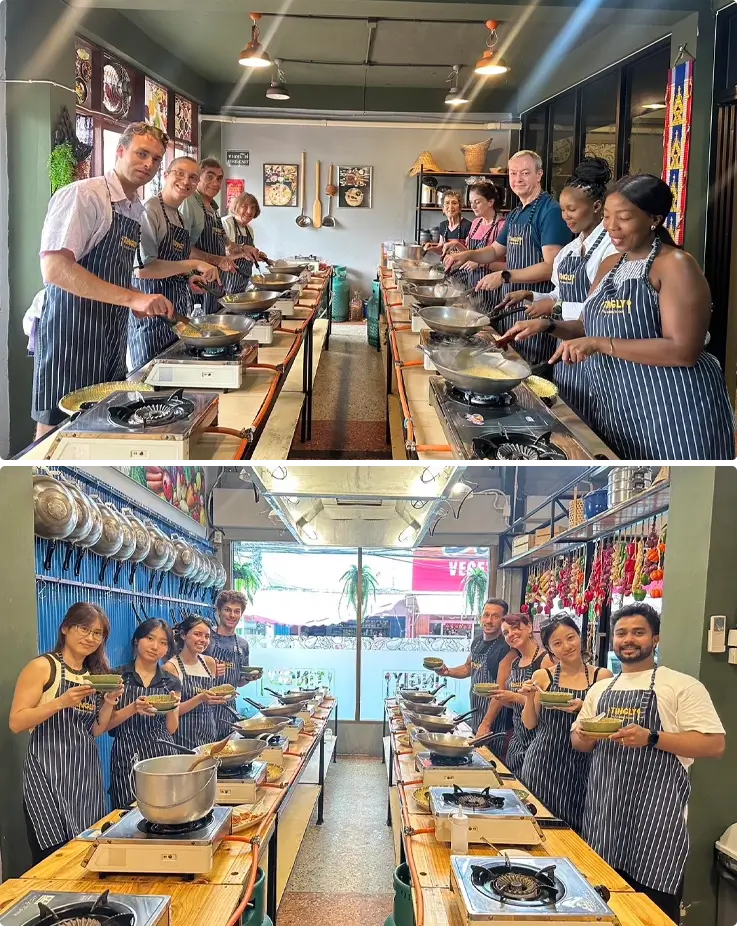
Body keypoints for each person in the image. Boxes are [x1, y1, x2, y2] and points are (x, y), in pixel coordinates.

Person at [506, 175, 735, 462]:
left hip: (673, 409)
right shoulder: (611, 265)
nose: (611, 227)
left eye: (624, 218)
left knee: (678, 497)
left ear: (655, 218)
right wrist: (549, 326)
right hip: (621, 406)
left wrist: (602, 344)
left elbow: (683, 351)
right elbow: (588, 326)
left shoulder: (676, 265)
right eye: (607, 217)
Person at [572, 605, 725, 923]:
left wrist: (653, 737)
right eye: (621, 633)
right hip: (604, 816)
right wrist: (586, 734)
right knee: (598, 904)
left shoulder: (680, 685)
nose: (628, 639)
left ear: (655, 638)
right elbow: (579, 743)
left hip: (655, 823)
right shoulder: (601, 689)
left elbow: (714, 743)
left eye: (638, 632)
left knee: (651, 913)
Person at [32, 122, 175, 438]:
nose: (149, 164)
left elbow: (116, 270)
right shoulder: (85, 195)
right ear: (120, 151)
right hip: (69, 331)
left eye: (156, 159)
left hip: (111, 330)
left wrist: (135, 299)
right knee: (58, 426)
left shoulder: (134, 207)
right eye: (141, 154)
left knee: (103, 419)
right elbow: (55, 268)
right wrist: (132, 298)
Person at [498, 158, 617, 422]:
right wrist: (532, 296)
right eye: (563, 210)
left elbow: (602, 310)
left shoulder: (610, 250)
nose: (565, 217)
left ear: (597, 207)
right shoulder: (569, 251)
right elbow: (558, 293)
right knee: (570, 416)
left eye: (571, 210)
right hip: (566, 350)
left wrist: (554, 308)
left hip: (598, 355)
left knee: (596, 423)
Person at [9, 603, 123, 864]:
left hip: (85, 777)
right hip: (47, 775)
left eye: (98, 633)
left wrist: (109, 701)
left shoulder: (94, 675)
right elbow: (16, 722)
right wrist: (60, 702)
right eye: (84, 628)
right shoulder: (43, 667)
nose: (90, 638)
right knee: (53, 856)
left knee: (86, 853)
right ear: (65, 628)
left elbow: (95, 730)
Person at [444, 150, 572, 365]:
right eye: (513, 173)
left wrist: (504, 275)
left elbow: (552, 267)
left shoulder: (550, 212)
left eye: (525, 173)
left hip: (535, 306)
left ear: (539, 174)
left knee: (528, 367)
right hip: (511, 302)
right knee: (509, 359)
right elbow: (494, 250)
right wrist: (467, 254)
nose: (518, 179)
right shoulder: (515, 214)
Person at [519, 615, 612, 832]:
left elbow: (607, 721)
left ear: (580, 637)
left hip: (584, 763)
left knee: (578, 827)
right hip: (544, 760)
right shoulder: (542, 676)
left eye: (570, 638)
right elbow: (530, 724)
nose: (566, 646)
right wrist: (530, 697)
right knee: (540, 824)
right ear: (550, 650)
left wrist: (583, 707)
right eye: (557, 643)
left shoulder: (602, 676)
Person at [128, 157, 221, 369]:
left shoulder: (179, 217)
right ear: (166, 175)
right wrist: (193, 265)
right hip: (152, 319)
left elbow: (174, 262)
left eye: (192, 177)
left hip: (177, 314)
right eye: (179, 173)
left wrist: (189, 278)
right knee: (150, 385)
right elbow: (143, 270)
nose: (185, 181)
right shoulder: (150, 211)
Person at [107, 619, 182, 810]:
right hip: (126, 755)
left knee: (166, 812)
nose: (155, 646)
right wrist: (133, 708)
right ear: (136, 640)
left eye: (163, 642)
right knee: (126, 813)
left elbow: (171, 729)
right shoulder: (118, 677)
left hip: (162, 754)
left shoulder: (171, 681)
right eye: (150, 638)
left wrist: (173, 707)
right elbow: (106, 725)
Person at [180, 158, 261, 314]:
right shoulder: (189, 203)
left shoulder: (213, 208)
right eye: (209, 176)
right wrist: (218, 260)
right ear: (198, 177)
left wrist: (244, 248)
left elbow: (228, 244)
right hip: (197, 284)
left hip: (215, 283)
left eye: (219, 178)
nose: (215, 183)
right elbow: (183, 248)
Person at [477, 612, 553, 777]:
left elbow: (546, 705)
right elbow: (515, 703)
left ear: (530, 628)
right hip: (517, 738)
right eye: (506, 633)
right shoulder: (515, 662)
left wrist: (513, 697)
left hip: (538, 740)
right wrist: (502, 698)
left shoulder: (546, 660)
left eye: (515, 628)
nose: (511, 634)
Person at [436, 598, 511, 739]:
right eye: (486, 615)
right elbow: (468, 668)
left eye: (495, 616)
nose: (489, 620)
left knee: (491, 758)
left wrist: (487, 723)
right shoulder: (477, 641)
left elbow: (501, 692)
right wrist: (448, 671)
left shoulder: (505, 648)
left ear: (503, 620)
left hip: (496, 719)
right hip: (477, 711)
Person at [163, 615, 226, 750]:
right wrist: (200, 698)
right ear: (184, 635)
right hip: (182, 737)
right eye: (197, 634)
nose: (203, 640)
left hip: (209, 733)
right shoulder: (171, 667)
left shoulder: (209, 663)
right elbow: (171, 712)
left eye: (207, 636)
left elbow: (211, 700)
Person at [206, 590, 262, 739]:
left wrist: (249, 677)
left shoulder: (243, 645)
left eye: (237, 611)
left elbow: (239, 682)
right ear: (218, 611)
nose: (232, 615)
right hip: (204, 709)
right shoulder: (206, 638)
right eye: (227, 610)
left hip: (229, 710)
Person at [443, 183, 506, 314]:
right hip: (472, 288)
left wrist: (481, 263)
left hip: (493, 291)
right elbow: (470, 253)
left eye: (477, 202)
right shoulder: (476, 223)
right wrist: (456, 245)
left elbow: (508, 267)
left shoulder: (502, 226)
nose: (472, 206)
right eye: (471, 202)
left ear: (490, 202)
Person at [221, 193, 270, 292]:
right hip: (227, 280)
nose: (249, 211)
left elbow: (248, 253)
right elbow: (220, 255)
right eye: (245, 206)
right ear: (236, 207)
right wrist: (243, 254)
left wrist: (257, 256)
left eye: (253, 208)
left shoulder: (249, 230)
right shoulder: (226, 222)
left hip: (244, 280)